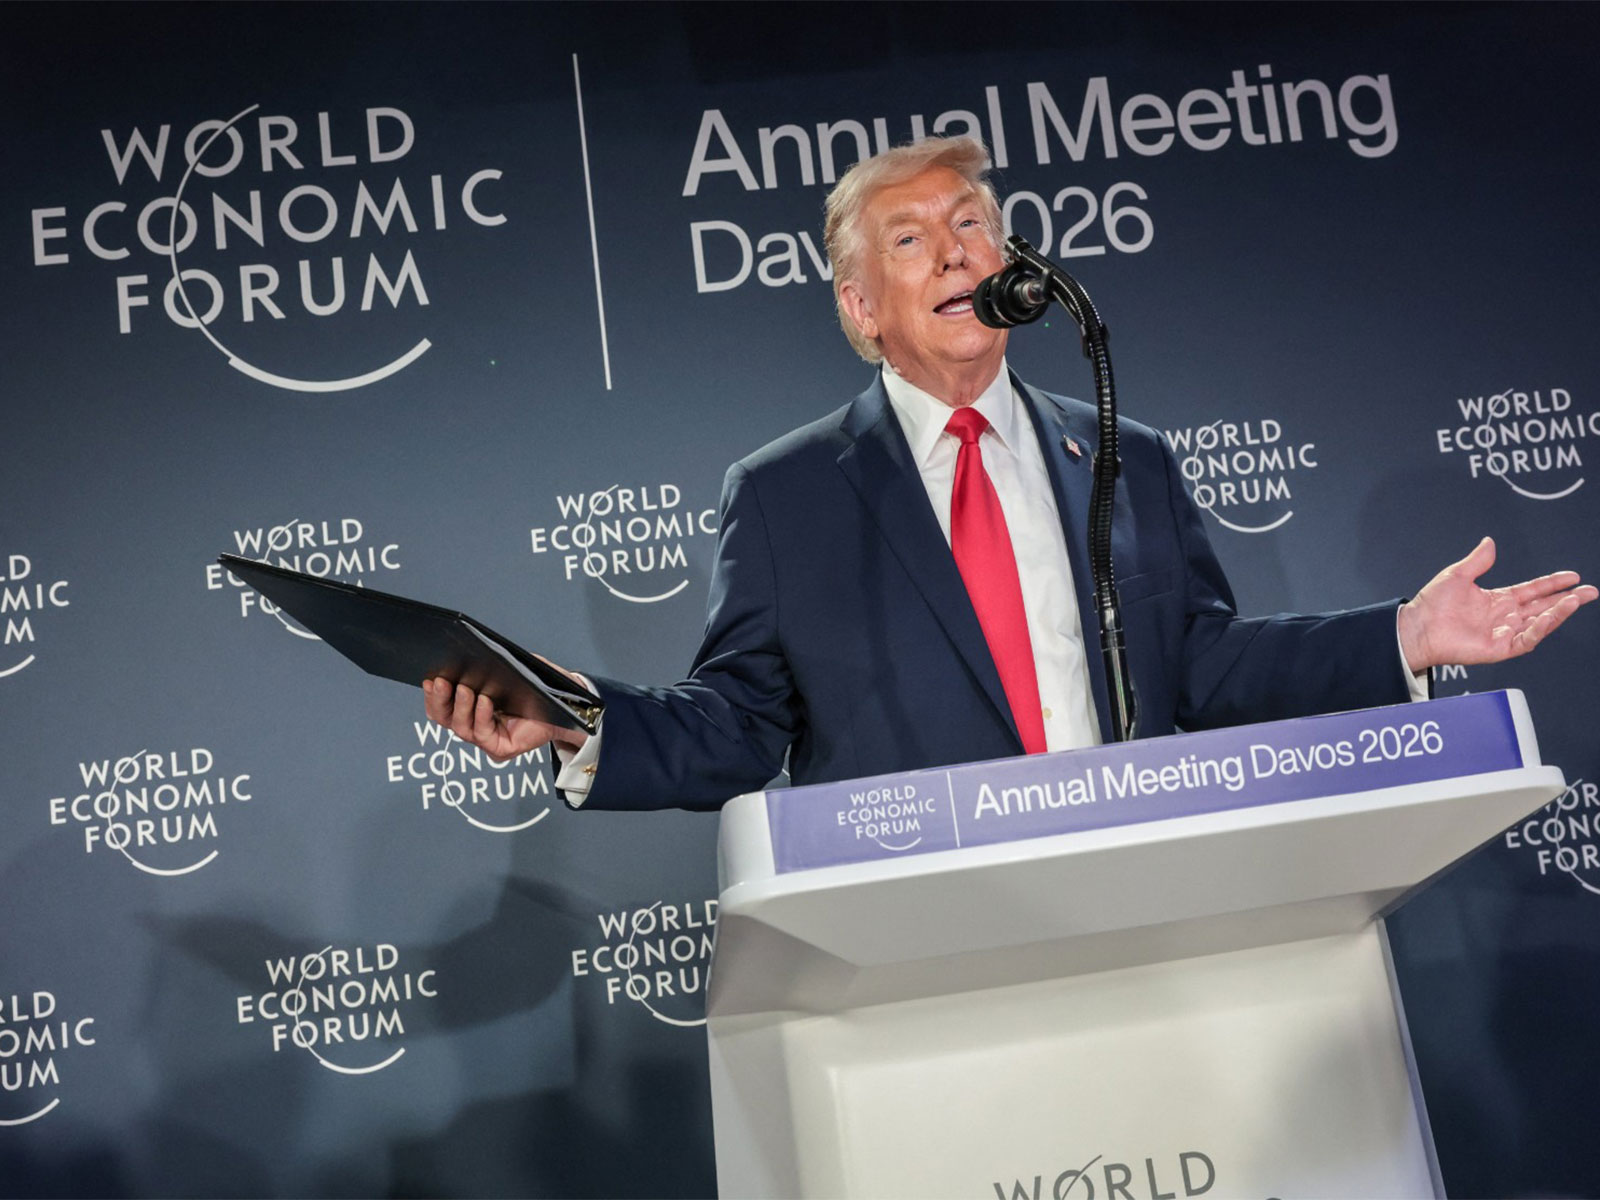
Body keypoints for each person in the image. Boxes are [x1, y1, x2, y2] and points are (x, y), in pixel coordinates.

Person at [424, 136, 1594, 810]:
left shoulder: (1125, 456)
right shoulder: (786, 498)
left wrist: (1404, 635)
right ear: (860, 308)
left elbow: (1203, 666)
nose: (954, 253)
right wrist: (574, 719)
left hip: (1146, 888)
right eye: (910, 240)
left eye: (971, 226)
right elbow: (737, 725)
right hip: (927, 940)